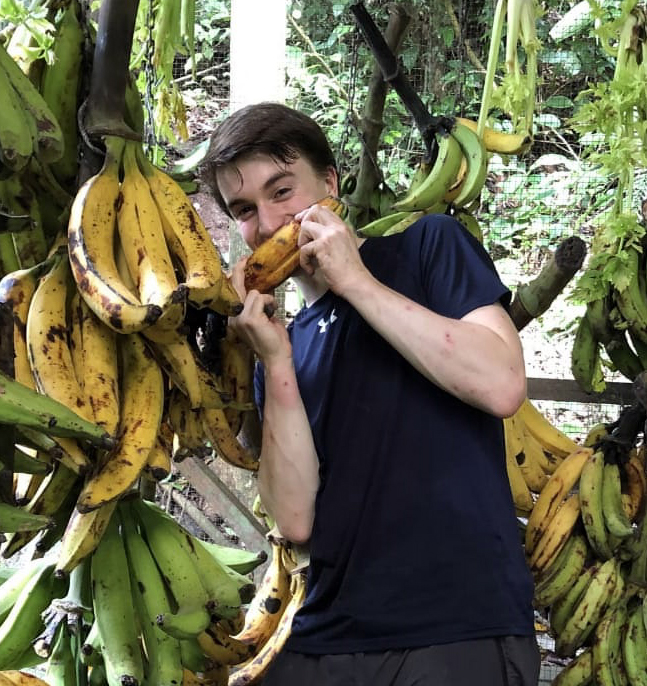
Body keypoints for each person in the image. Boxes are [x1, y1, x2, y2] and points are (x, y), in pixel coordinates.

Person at [203, 101, 540, 686]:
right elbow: (296, 520)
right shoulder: (280, 343)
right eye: (245, 210)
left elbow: (502, 383)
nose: (269, 222)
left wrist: (355, 281)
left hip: (457, 628)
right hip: (327, 633)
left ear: (330, 184)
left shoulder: (427, 248)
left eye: (282, 191)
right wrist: (275, 361)